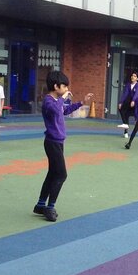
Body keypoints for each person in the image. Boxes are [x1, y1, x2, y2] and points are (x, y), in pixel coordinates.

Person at [33, 70, 93, 222]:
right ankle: (50, 207)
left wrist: (81, 103)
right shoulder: (48, 101)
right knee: (61, 175)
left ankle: (40, 204)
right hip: (52, 143)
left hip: (58, 142)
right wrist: (64, 98)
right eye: (64, 86)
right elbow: (54, 110)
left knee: (52, 173)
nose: (66, 89)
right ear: (55, 86)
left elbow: (64, 111)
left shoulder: (57, 101)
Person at [117, 71, 138, 138]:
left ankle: (133, 123)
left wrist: (133, 101)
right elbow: (125, 94)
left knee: (135, 116)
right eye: (132, 75)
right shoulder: (128, 84)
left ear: (137, 79)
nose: (133, 77)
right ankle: (126, 131)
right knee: (121, 109)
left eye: (135, 76)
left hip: (135, 103)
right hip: (129, 102)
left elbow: (137, 94)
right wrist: (121, 102)